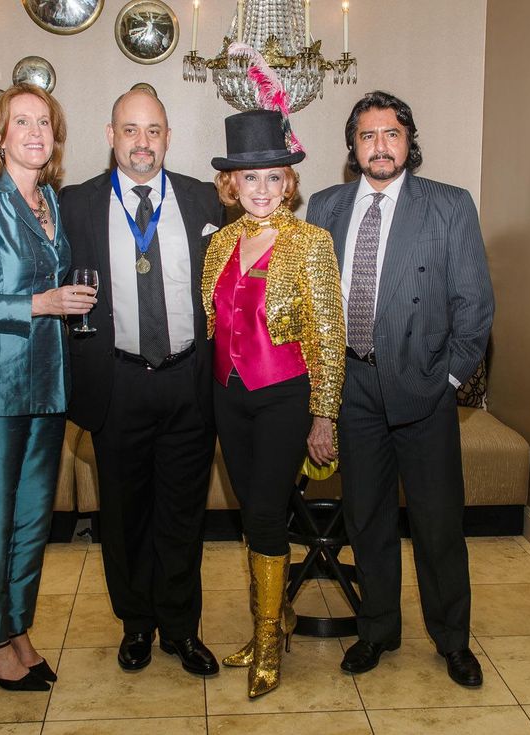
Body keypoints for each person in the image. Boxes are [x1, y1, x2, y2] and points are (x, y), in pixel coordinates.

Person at [305, 90, 494, 687]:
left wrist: (449, 381)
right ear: (352, 147)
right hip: (352, 385)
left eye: (391, 134)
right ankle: (377, 631)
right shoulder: (325, 207)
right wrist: (323, 402)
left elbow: (476, 308)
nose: (380, 146)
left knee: (438, 524)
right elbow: (314, 308)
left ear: (409, 143)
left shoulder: (448, 205)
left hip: (422, 388)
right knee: (367, 519)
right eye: (367, 135)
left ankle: (453, 640)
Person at [59, 89, 223, 676]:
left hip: (188, 381)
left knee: (183, 515)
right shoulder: (74, 204)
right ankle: (136, 625)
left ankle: (180, 629)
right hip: (117, 382)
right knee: (125, 519)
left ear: (168, 136)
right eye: (130, 130)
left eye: (153, 130)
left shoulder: (205, 198)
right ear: (110, 135)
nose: (142, 142)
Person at [0, 83, 95, 692]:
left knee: (33, 521)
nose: (35, 132)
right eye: (21, 121)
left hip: (47, 384)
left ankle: (17, 624)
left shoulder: (51, 202)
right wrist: (40, 302)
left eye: (45, 123)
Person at [202, 109, 345, 697]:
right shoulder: (222, 243)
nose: (262, 190)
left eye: (274, 178)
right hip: (228, 397)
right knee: (252, 509)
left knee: (263, 512)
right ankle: (277, 614)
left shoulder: (311, 243)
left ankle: (268, 641)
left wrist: (324, 412)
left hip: (285, 395)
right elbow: (215, 324)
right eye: (249, 178)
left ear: (290, 183)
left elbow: (329, 332)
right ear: (230, 185)